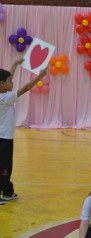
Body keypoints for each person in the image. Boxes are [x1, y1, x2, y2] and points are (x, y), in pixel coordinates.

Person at [0, 59, 47, 203]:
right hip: (4, 139)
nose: (12, 83)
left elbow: (7, 78)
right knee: (4, 167)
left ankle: (8, 191)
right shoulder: (5, 98)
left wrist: (14, 64)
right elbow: (25, 88)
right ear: (2, 84)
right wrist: (40, 76)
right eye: (10, 81)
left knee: (5, 165)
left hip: (3, 137)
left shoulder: (3, 94)